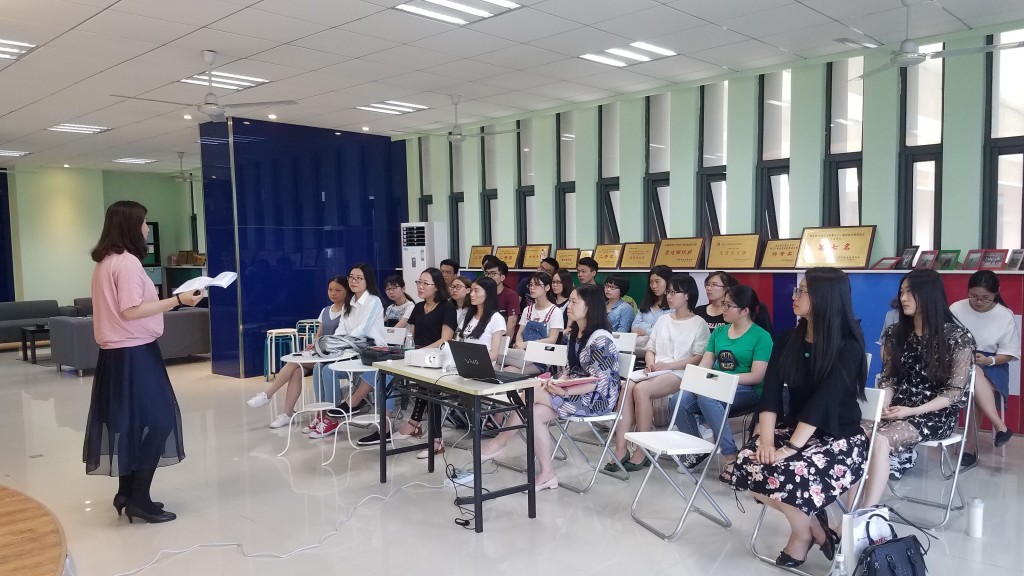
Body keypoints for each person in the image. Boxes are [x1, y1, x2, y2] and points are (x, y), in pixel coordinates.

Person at [729, 268, 868, 568]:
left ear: (824, 297)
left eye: (802, 291)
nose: (794, 296)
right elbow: (770, 393)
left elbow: (822, 403)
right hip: (795, 429)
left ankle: (800, 537)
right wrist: (767, 441)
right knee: (747, 463)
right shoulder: (788, 339)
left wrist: (790, 449)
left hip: (839, 438)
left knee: (789, 472)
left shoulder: (849, 345)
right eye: (797, 289)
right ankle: (812, 528)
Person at [83, 201, 203, 524]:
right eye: (144, 222)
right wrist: (177, 300)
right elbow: (130, 310)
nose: (147, 228)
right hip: (134, 353)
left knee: (130, 424)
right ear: (131, 226)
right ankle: (139, 498)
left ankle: (127, 492)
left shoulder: (105, 262)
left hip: (115, 355)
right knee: (161, 420)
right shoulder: (127, 263)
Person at [479, 284, 621, 491]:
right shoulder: (575, 333)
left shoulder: (601, 339)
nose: (569, 306)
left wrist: (564, 390)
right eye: (569, 301)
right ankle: (547, 473)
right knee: (534, 412)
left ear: (590, 306)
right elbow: (569, 370)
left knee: (532, 391)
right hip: (574, 392)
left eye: (574, 302)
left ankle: (500, 442)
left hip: (597, 399)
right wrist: (557, 383)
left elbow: (599, 382)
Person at [860, 270, 974, 507]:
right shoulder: (895, 333)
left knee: (880, 440)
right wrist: (885, 402)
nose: (903, 298)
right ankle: (853, 506)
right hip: (897, 408)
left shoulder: (957, 337)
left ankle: (865, 512)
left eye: (910, 292)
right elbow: (889, 378)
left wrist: (912, 411)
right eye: (902, 292)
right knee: (853, 433)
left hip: (934, 414)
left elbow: (954, 392)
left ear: (929, 294)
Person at [606, 274, 709, 472]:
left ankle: (642, 449)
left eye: (674, 292)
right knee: (626, 387)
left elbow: (698, 357)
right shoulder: (663, 320)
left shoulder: (699, 323)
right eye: (668, 291)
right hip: (656, 370)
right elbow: (651, 348)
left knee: (641, 390)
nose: (669, 296)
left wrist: (667, 366)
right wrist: (651, 363)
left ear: (688, 295)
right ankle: (620, 448)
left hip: (680, 371)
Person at [674, 285, 773, 478]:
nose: (723, 309)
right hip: (715, 386)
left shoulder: (762, 337)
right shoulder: (719, 332)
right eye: (723, 304)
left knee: (707, 396)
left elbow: (756, 376)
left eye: (728, 305)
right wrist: (698, 378)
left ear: (744, 310)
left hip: (747, 389)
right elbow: (706, 363)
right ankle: (697, 449)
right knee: (679, 399)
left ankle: (730, 455)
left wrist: (721, 380)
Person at [246, 276, 351, 429]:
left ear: (346, 291)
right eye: (330, 290)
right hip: (320, 353)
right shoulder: (325, 310)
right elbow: (319, 335)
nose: (333, 293)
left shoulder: (348, 312)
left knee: (294, 363)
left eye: (338, 290)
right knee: (296, 371)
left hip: (335, 355)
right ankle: (287, 414)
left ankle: (268, 395)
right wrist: (313, 345)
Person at [307, 263, 388, 439]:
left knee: (328, 370)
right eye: (351, 277)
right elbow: (341, 330)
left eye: (359, 278)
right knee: (318, 367)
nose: (354, 281)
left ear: (367, 281)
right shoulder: (348, 303)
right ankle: (323, 414)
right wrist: (333, 343)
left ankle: (332, 418)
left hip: (370, 350)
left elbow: (363, 330)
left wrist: (342, 342)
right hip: (350, 350)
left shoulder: (373, 301)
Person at [949, 270, 1017, 465]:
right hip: (958, 362)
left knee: (974, 382)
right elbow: (945, 341)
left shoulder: (1004, 315)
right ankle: (999, 427)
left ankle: (970, 447)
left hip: (993, 366)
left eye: (986, 298)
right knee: (973, 372)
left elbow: (1010, 353)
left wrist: (989, 361)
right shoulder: (956, 308)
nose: (979, 301)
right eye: (974, 296)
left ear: (997, 293)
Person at [394, 268, 458, 456]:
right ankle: (414, 424)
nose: (420, 287)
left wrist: (420, 352)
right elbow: (412, 336)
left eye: (425, 283)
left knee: (431, 391)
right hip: (418, 356)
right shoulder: (418, 307)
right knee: (419, 387)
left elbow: (446, 339)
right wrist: (411, 351)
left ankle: (436, 441)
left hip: (438, 358)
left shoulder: (447, 307)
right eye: (418, 282)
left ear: (437, 287)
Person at [506, 271, 565, 375]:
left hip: (542, 357)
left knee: (510, 371)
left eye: (536, 285)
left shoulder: (555, 311)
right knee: (497, 366)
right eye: (530, 285)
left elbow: (552, 339)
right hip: (523, 354)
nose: (532, 288)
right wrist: (520, 347)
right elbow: (520, 333)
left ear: (547, 287)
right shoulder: (527, 310)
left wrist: (525, 345)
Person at [455, 277, 506, 361]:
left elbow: (494, 355)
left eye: (476, 291)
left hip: (483, 363)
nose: (472, 294)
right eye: (471, 291)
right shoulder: (470, 315)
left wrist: (472, 360)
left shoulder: (496, 318)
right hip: (465, 361)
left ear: (488, 293)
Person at [631, 265, 674, 348]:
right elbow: (634, 327)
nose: (654, 286)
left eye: (657, 282)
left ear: (668, 282)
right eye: (651, 282)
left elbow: (667, 330)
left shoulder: (673, 306)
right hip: (640, 349)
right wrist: (652, 326)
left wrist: (646, 331)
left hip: (662, 349)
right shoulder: (646, 304)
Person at [484, 258, 520, 337]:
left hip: (503, 337)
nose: (488, 276)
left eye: (493, 273)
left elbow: (512, 322)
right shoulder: (482, 294)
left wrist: (505, 343)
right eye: (486, 273)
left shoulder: (511, 295)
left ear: (502, 277)